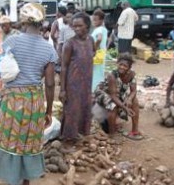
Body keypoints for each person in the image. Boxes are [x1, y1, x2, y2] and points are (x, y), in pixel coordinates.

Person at [0, 3, 57, 185]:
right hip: (35, 100)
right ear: (41, 22)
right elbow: (49, 83)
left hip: (14, 101)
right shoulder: (48, 48)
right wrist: (47, 110)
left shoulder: (12, 41)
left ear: (23, 21)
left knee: (11, 141)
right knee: (30, 140)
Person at [59, 12, 95, 147]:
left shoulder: (90, 40)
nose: (77, 28)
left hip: (87, 83)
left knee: (85, 108)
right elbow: (63, 67)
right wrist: (62, 89)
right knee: (72, 110)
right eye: (74, 26)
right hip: (72, 84)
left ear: (87, 26)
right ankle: (68, 140)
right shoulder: (69, 44)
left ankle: (81, 135)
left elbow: (93, 52)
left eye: (80, 25)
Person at [93, 53, 142, 140]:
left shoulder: (132, 75)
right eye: (120, 64)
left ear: (129, 68)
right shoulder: (112, 75)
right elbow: (113, 96)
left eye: (125, 66)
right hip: (104, 93)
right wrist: (125, 108)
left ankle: (134, 131)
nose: (122, 67)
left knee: (135, 101)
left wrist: (129, 99)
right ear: (117, 64)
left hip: (118, 93)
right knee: (113, 105)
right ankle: (112, 134)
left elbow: (133, 91)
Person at [91, 9, 108, 92]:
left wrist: (94, 48)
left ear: (101, 20)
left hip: (97, 54)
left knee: (95, 73)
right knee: (99, 72)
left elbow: (99, 38)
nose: (94, 22)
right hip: (101, 53)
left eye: (95, 20)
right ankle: (98, 89)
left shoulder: (99, 29)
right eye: (93, 20)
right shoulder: (103, 29)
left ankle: (95, 90)